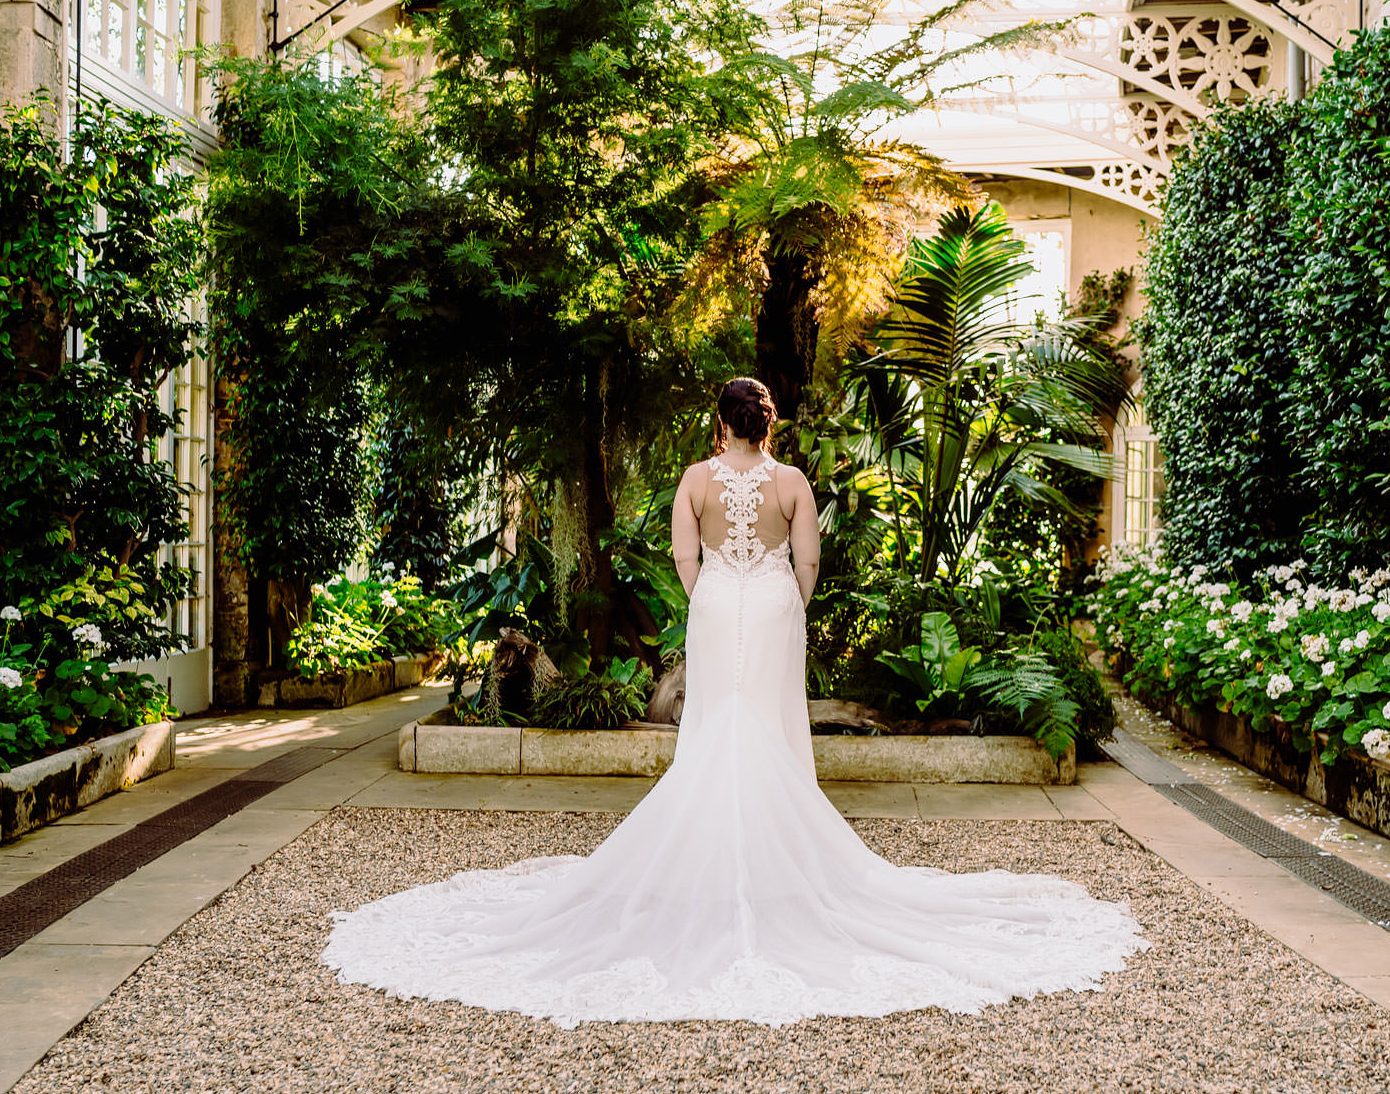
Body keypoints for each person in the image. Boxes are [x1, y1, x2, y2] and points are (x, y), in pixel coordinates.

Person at [323, 377, 1146, 1027]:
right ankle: (783, 868)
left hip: (717, 604)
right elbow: (811, 560)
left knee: (717, 726)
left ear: (720, 427)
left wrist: (717, 590)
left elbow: (685, 558)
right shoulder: (790, 480)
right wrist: (782, 594)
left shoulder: (693, 479)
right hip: (776, 602)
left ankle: (711, 858)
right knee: (769, 728)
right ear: (768, 424)